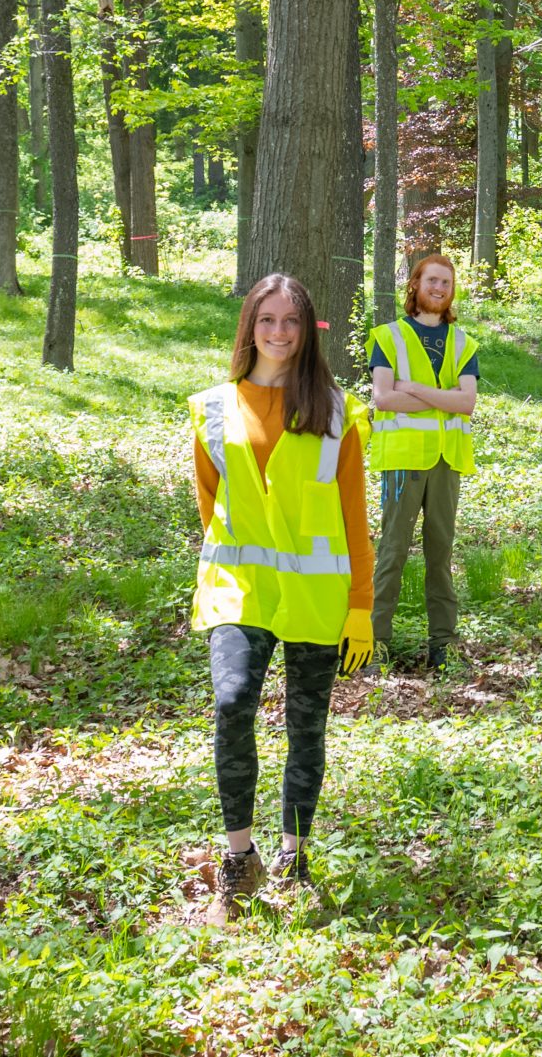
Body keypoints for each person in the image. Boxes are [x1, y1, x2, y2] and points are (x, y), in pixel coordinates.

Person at [190, 274, 376, 922]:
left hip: (317, 594)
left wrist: (361, 605)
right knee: (232, 702)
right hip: (239, 590)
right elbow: (211, 503)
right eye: (266, 319)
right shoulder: (214, 408)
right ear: (249, 326)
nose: (278, 331)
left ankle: (293, 860)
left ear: (306, 330)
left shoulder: (336, 410)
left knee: (306, 725)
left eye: (291, 320)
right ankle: (238, 861)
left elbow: (354, 515)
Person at [366, 252, 480, 674]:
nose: (439, 288)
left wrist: (412, 388)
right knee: (392, 551)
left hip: (447, 460)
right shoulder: (389, 336)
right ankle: (375, 644)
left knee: (440, 552)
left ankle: (443, 645)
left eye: (446, 283)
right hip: (402, 460)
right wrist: (442, 398)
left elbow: (466, 403)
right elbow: (383, 398)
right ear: (415, 283)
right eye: (432, 280)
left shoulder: (463, 343)